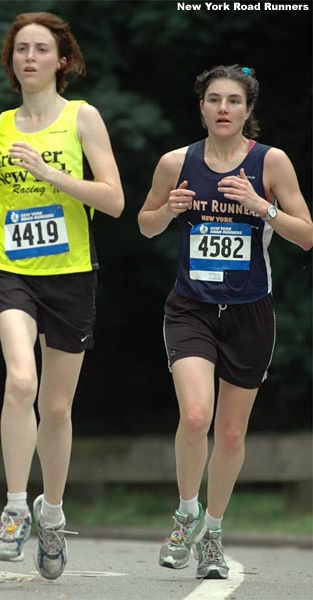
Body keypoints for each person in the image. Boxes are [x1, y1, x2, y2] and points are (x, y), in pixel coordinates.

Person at [138, 64, 312, 580]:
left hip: (250, 311)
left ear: (247, 110)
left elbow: (306, 235)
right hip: (190, 306)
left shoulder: (271, 162)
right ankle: (186, 513)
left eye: (233, 101)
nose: (222, 109)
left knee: (231, 435)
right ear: (201, 107)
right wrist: (168, 210)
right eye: (214, 100)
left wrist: (264, 208)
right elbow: (145, 225)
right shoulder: (176, 162)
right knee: (196, 416)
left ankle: (212, 532)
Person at [0, 11, 124, 581]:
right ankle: (14, 508)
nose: (28, 57)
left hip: (70, 273)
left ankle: (51, 515)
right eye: (20, 49)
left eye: (41, 49)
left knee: (56, 407)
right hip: (10, 265)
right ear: (11, 62)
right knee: (20, 379)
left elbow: (112, 199)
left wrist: (52, 174)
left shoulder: (83, 119)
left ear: (62, 61)